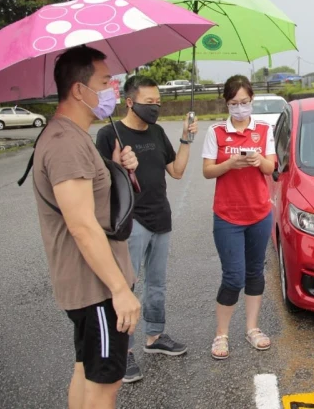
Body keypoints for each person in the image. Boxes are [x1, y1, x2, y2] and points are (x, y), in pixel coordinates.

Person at [32, 45, 140, 408]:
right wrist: (120, 289)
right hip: (97, 289)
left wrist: (114, 167)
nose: (113, 89)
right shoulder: (65, 143)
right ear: (79, 90)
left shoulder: (71, 136)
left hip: (90, 286)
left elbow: (87, 198)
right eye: (105, 81)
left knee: (85, 371)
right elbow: (82, 226)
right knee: (104, 385)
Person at [95, 76, 197, 383]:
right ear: (129, 102)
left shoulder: (156, 131)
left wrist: (186, 139)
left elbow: (177, 172)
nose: (155, 108)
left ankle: (155, 336)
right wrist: (120, 165)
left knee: (157, 284)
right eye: (148, 102)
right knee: (126, 286)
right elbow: (98, 183)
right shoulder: (109, 134)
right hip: (131, 220)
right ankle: (122, 352)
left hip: (160, 217)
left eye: (158, 103)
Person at [202, 75, 276, 360]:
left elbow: (270, 168)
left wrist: (259, 161)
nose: (240, 108)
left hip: (259, 212)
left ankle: (252, 328)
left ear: (252, 101)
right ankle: (221, 334)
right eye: (234, 103)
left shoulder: (263, 129)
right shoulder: (217, 132)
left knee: (255, 273)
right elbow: (207, 171)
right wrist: (230, 163)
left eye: (244, 102)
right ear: (226, 103)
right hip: (227, 216)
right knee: (233, 276)